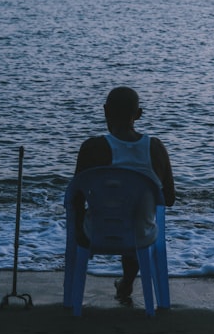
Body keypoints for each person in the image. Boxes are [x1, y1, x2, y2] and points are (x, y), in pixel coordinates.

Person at [74, 86, 176, 302]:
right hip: (141, 235)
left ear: (105, 111)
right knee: (136, 216)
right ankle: (127, 281)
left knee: (103, 211)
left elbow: (75, 197)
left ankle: (74, 296)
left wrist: (79, 233)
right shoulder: (156, 148)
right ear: (138, 114)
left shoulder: (91, 148)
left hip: (95, 233)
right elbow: (169, 199)